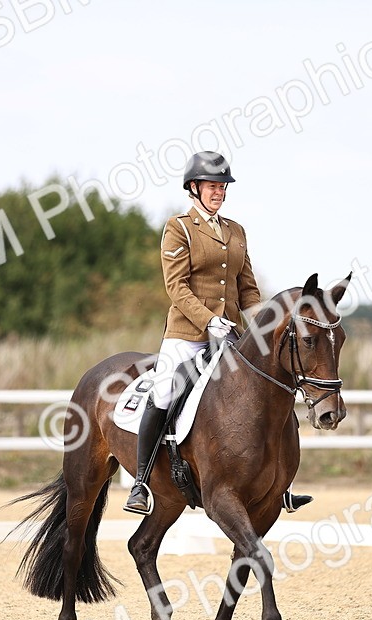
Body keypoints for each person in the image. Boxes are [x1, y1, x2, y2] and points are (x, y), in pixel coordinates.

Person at [123, 151, 312, 516]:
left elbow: (249, 290)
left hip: (230, 335)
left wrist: (263, 326)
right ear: (194, 188)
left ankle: (279, 483)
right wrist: (209, 321)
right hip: (187, 334)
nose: (219, 193)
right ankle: (142, 482)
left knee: (270, 386)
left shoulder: (236, 231)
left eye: (222, 187)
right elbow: (176, 287)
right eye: (212, 186)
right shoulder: (178, 228)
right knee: (165, 391)